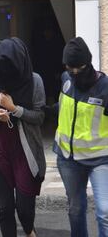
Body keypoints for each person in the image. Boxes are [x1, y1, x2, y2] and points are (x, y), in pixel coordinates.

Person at [0, 37, 46, 237]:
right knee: (4, 209)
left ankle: (29, 230)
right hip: (0, 150)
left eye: (11, 65)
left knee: (25, 209)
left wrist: (13, 109)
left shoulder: (34, 80)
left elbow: (40, 116)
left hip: (26, 151)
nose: (6, 71)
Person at [54, 37, 108, 237]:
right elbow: (62, 110)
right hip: (68, 159)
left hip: (100, 159)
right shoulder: (65, 79)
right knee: (75, 209)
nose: (75, 73)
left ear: (89, 62)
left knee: (105, 211)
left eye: (79, 68)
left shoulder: (105, 88)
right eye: (70, 68)